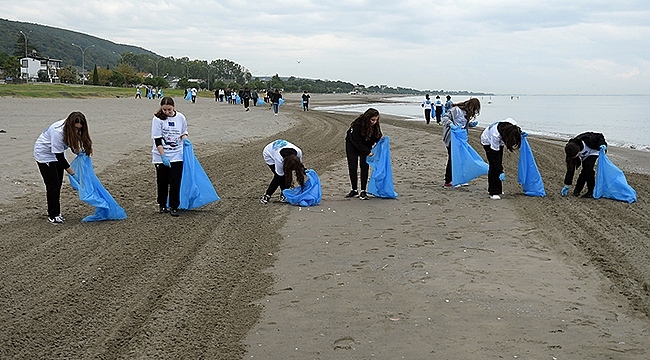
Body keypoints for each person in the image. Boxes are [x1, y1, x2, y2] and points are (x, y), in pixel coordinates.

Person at [34, 111, 92, 224]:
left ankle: (57, 212)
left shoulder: (75, 131)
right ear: (70, 125)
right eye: (75, 128)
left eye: (79, 129)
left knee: (58, 183)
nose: (77, 131)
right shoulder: (58, 132)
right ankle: (53, 215)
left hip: (57, 153)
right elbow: (60, 158)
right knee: (53, 185)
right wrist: (73, 174)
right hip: (45, 155)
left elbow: (73, 145)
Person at [151, 97, 189, 217]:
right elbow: (157, 140)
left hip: (177, 153)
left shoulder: (180, 117)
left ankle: (174, 206)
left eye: (169, 109)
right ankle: (162, 204)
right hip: (161, 154)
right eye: (164, 110)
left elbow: (183, 132)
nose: (166, 112)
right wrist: (163, 156)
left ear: (173, 107)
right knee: (162, 181)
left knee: (175, 181)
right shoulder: (157, 119)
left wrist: (185, 140)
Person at [441, 98, 481, 188]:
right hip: (451, 138)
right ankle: (448, 181)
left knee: (462, 158)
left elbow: (463, 124)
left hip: (461, 138)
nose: (474, 111)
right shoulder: (456, 110)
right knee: (453, 158)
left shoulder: (467, 113)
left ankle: (460, 179)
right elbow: (444, 118)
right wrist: (451, 124)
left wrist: (471, 125)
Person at [345, 108, 383, 200]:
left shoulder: (375, 125)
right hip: (352, 144)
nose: (374, 122)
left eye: (376, 119)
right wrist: (367, 152)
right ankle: (354, 189)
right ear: (367, 118)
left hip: (366, 144)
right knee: (353, 166)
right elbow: (356, 141)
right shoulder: (358, 124)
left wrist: (381, 140)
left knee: (364, 166)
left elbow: (377, 136)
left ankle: (363, 191)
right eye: (372, 120)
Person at [480, 119, 522, 200]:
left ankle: (498, 189)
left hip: (499, 140)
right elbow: (494, 157)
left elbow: (516, 130)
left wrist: (520, 134)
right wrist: (500, 171)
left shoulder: (512, 124)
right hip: (487, 142)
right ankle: (493, 192)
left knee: (499, 162)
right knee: (493, 165)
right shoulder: (495, 135)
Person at [561, 132, 607, 198]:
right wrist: (567, 184)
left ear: (578, 151)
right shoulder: (569, 150)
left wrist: (602, 144)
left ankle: (591, 190)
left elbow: (599, 136)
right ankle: (577, 190)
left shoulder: (587, 138)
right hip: (585, 156)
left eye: (575, 156)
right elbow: (570, 168)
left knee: (588, 168)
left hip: (595, 150)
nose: (574, 158)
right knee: (585, 170)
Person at [260, 139, 304, 204]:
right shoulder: (279, 159)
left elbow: (299, 167)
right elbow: (278, 176)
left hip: (280, 148)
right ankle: (267, 195)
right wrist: (269, 194)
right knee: (280, 177)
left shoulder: (298, 152)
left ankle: (284, 194)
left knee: (283, 176)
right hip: (269, 153)